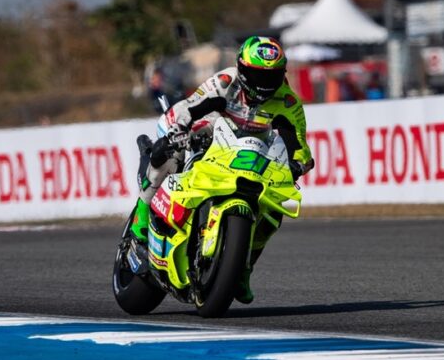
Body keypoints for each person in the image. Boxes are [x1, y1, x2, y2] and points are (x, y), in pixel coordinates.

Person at [130, 36, 314, 304]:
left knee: (274, 208)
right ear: (241, 68)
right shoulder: (226, 82)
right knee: (170, 155)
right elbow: (189, 107)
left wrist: (298, 163)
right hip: (207, 132)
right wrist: (179, 130)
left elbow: (298, 144)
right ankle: (141, 221)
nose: (263, 83)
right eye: (255, 74)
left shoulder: (288, 103)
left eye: (270, 76)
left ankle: (243, 269)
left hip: (247, 155)